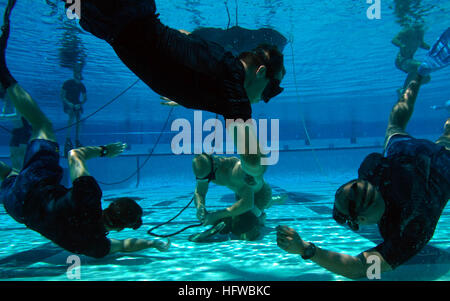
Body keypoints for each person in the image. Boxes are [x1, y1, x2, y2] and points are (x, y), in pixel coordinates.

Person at [0, 1, 169, 258]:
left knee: (43, 125)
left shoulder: (89, 196)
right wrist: (153, 243)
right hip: (18, 208)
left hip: (36, 188)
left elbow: (75, 155)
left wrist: (104, 151)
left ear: (112, 205)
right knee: (12, 175)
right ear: (120, 226)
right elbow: (122, 246)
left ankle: (3, 73)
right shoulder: (94, 246)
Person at [276, 28, 449, 279]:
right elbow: (359, 268)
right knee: (430, 134)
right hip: (440, 169)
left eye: (352, 187)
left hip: (410, 157)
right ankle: (419, 79)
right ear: (361, 221)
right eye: (354, 197)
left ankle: (416, 76)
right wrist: (306, 249)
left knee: (395, 125)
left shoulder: (374, 175)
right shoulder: (408, 228)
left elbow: (358, 268)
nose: (357, 188)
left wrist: (306, 249)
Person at [62, 0, 286, 177]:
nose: (264, 99)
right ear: (261, 72)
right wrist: (256, 178)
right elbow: (254, 161)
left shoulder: (222, 60)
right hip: (120, 16)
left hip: (116, 21)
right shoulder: (234, 92)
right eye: (270, 91)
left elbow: (184, 36)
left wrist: (184, 89)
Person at [189, 153, 285, 242]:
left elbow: (248, 204)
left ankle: (261, 216)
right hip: (242, 194)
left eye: (210, 177)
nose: (206, 180)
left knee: (242, 229)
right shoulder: (207, 170)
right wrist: (200, 206)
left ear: (215, 163)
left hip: (262, 195)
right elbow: (200, 191)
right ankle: (266, 206)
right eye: (202, 178)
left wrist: (217, 215)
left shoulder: (237, 170)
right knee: (231, 218)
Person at [392, 23, 431, 94]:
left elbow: (421, 44)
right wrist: (401, 45)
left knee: (427, 78)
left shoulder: (420, 33)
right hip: (401, 60)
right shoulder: (408, 30)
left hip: (410, 60)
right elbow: (394, 40)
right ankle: (404, 89)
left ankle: (405, 88)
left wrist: (431, 48)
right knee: (420, 66)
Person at [61, 65, 87, 155]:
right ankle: (68, 139)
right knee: (71, 116)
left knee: (78, 119)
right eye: (76, 73)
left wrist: (80, 104)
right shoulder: (67, 83)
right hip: (68, 102)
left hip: (77, 103)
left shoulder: (81, 85)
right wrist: (69, 104)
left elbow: (84, 98)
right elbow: (62, 96)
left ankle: (77, 139)